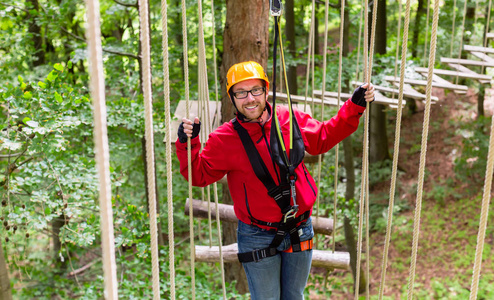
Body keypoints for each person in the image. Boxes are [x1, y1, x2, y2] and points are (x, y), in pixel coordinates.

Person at [176, 61, 374, 300]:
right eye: (241, 92)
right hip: (256, 234)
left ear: (265, 91)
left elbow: (323, 137)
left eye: (255, 90)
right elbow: (199, 174)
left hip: (299, 227)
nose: (250, 98)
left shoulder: (288, 118)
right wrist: (188, 143)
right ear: (232, 98)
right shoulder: (224, 139)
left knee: (294, 297)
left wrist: (354, 107)